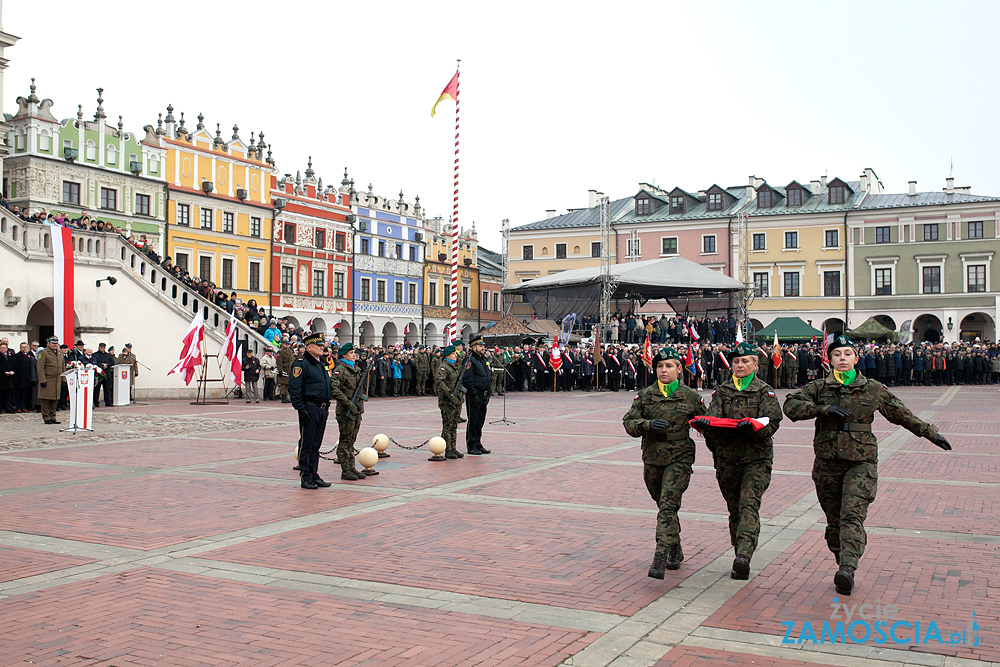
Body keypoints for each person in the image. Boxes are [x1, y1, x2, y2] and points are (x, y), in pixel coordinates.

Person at [783, 335, 951, 596]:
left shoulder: (872, 388)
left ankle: (847, 569)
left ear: (856, 359)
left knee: (852, 515)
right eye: (837, 354)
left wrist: (930, 433)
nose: (842, 359)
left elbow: (901, 414)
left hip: (861, 462)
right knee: (834, 522)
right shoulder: (819, 387)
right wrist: (823, 409)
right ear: (830, 359)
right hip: (827, 463)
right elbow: (791, 405)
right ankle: (843, 560)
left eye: (847, 354)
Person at [692, 341, 782, 581]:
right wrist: (705, 426)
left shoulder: (764, 391)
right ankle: (739, 548)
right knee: (734, 510)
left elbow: (771, 422)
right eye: (736, 361)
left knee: (748, 504)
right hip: (727, 459)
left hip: (756, 458)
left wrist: (753, 428)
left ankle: (743, 557)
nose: (740, 365)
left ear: (755, 364)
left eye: (745, 361)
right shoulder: (722, 391)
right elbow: (713, 418)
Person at [623, 348, 707, 579]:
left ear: (679, 369)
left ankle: (660, 555)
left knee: (668, 505)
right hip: (652, 456)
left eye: (669, 366)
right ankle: (675, 547)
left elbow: (707, 422)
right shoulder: (646, 395)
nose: (663, 370)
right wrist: (647, 424)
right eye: (660, 366)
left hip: (680, 456)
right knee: (663, 504)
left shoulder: (689, 396)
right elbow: (629, 423)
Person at [287, 332, 334, 489]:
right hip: (310, 408)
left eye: (323, 345)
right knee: (306, 443)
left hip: (322, 408)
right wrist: (301, 409)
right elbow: (294, 388)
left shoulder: (321, 364)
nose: (322, 348)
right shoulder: (301, 365)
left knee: (316, 444)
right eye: (319, 346)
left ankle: (314, 473)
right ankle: (305, 475)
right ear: (308, 347)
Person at [330, 343, 370, 480]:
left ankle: (352, 467)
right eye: (351, 353)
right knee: (344, 440)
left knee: (352, 441)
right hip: (345, 411)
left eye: (354, 353)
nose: (354, 355)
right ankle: (345, 469)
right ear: (344, 355)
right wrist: (348, 404)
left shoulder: (356, 369)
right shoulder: (340, 370)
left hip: (357, 411)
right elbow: (335, 389)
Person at [434, 344, 465, 460]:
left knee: (454, 425)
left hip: (456, 400)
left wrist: (459, 396)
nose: (455, 356)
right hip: (447, 401)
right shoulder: (443, 367)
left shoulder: (454, 366)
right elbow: (440, 383)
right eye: (453, 354)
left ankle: (453, 447)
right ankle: (446, 449)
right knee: (448, 425)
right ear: (447, 355)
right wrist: (451, 396)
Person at [462, 336, 492, 455]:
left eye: (483, 346)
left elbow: (488, 375)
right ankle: (471, 445)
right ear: (474, 347)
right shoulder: (470, 359)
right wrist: (473, 393)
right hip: (475, 394)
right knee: (473, 420)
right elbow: (467, 379)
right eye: (480, 346)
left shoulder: (483, 359)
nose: (483, 348)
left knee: (480, 420)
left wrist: (489, 392)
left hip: (484, 394)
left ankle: (478, 443)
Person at [36, 336, 65, 424]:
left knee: (54, 399)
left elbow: (63, 366)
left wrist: (63, 378)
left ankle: (53, 416)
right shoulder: (44, 352)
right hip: (48, 379)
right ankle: (46, 417)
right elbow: (40, 368)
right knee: (46, 400)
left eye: (56, 343)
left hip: (57, 380)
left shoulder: (60, 352)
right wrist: (42, 380)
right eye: (53, 343)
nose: (55, 345)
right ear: (48, 344)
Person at [91, 342, 115, 407]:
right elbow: (94, 363)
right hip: (98, 374)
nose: (102, 348)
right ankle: (96, 402)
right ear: (99, 348)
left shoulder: (108, 355)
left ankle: (108, 402)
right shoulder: (95, 355)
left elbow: (112, 362)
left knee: (107, 389)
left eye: (103, 347)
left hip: (106, 374)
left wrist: (107, 365)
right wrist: (101, 365)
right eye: (101, 347)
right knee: (97, 389)